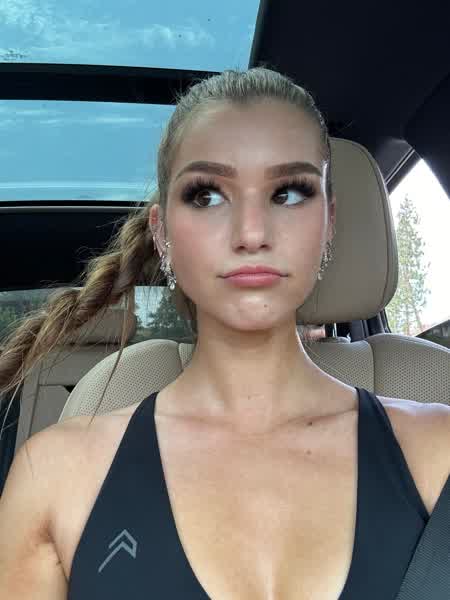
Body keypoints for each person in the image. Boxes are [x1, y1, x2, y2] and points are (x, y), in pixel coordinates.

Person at [0, 67, 448, 599]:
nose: (252, 233)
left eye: (289, 193)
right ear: (162, 234)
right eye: (207, 195)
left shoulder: (440, 451)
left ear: (329, 223)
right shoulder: (54, 477)